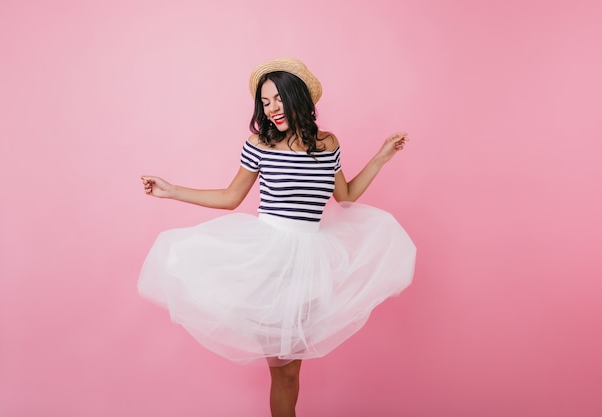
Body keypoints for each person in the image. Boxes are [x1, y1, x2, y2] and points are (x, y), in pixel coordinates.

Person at [139, 57, 416, 417]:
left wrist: (381, 157)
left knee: (290, 374)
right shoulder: (260, 144)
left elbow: (344, 196)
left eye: (277, 99)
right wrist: (171, 190)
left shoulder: (327, 143)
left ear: (296, 95)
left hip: (312, 265)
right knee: (282, 369)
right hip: (270, 262)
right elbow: (230, 197)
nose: (271, 109)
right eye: (264, 102)